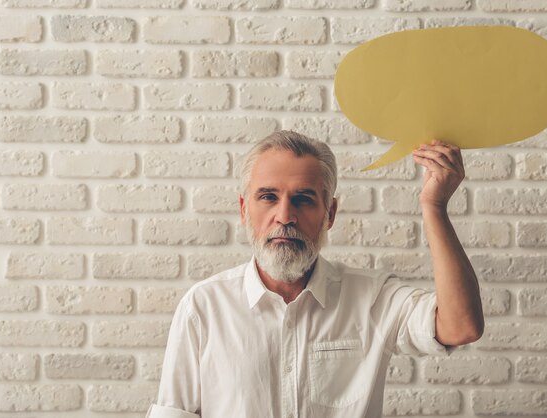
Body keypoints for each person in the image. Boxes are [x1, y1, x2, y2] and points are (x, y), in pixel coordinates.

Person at [146, 130, 484, 418]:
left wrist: (434, 206)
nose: (285, 216)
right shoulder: (203, 307)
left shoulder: (372, 298)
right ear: (244, 209)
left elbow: (461, 326)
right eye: (268, 197)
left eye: (304, 199)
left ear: (330, 213)